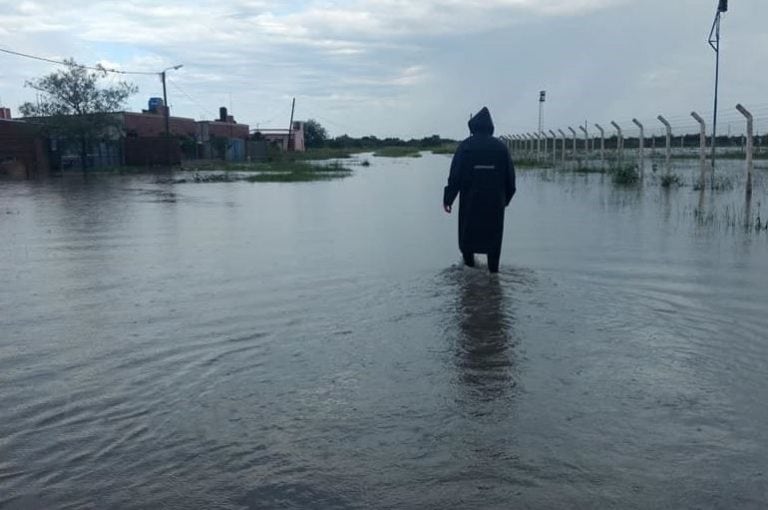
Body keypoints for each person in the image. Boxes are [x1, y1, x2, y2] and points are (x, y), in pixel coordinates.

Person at [443, 107, 516, 273]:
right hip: (494, 206)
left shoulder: (465, 147)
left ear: (473, 126)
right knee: (493, 244)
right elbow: (511, 181)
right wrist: (504, 201)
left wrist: (448, 199)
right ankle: (494, 280)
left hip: (470, 204)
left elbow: (455, 176)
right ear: (490, 126)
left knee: (467, 242)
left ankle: (469, 279)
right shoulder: (501, 148)